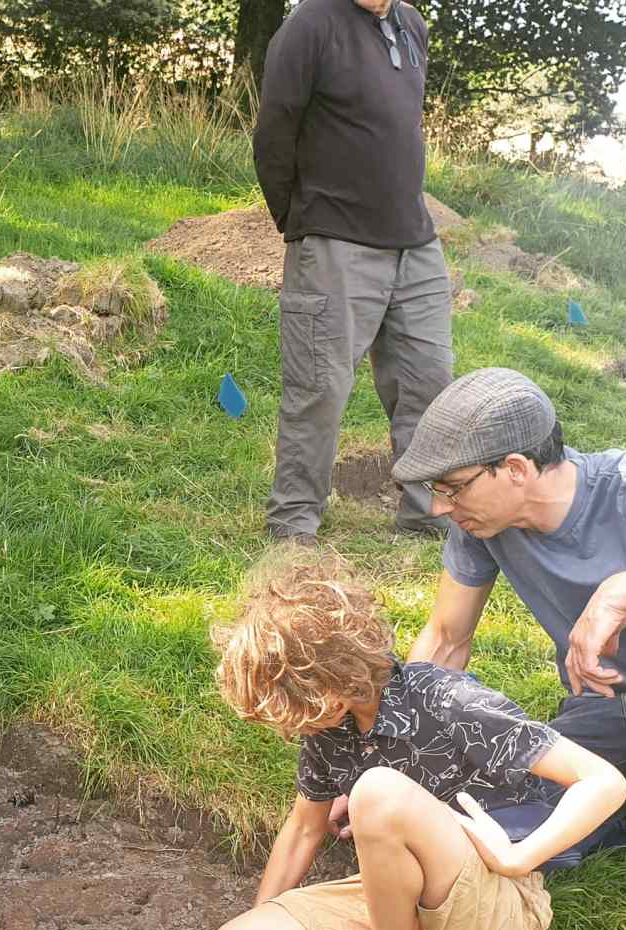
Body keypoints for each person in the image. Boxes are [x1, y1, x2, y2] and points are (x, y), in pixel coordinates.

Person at [206, 557, 626, 930]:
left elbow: (604, 781)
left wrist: (517, 858)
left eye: (291, 704)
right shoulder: (327, 729)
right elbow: (305, 829)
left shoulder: (444, 698)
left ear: (330, 677)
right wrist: (260, 917)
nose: (288, 725)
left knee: (378, 792)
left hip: (494, 905)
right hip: (398, 905)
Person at [392, 365, 626, 930]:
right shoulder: (481, 526)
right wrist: (387, 752)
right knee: (483, 824)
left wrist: (621, 590)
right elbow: (446, 638)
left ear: (515, 469)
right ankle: (610, 820)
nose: (439, 507)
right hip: (609, 710)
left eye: (452, 487)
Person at [253, 0, 453, 543]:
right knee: (318, 389)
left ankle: (425, 516)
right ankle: (294, 523)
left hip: (415, 243)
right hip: (334, 240)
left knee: (428, 382)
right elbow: (273, 132)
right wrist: (300, 220)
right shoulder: (311, 24)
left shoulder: (411, 24)